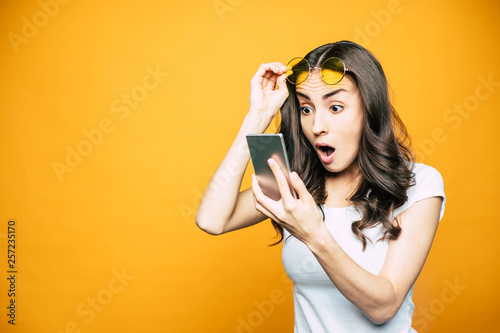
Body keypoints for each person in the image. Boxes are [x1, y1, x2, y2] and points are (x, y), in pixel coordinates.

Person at [195, 40, 446, 332]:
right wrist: (257, 117)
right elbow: (211, 219)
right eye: (306, 109)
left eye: (335, 107)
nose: (317, 126)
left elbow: (384, 306)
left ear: (369, 108)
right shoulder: (297, 184)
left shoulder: (419, 183)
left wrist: (314, 234)